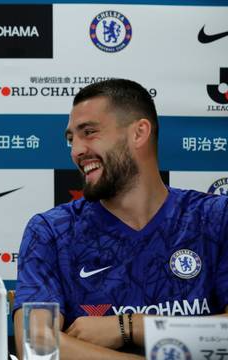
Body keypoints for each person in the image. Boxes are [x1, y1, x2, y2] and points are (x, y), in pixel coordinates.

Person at [13, 79, 228, 359]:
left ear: (139, 133)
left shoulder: (215, 218)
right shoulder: (52, 231)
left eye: (89, 132)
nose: (75, 151)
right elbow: (36, 345)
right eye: (71, 139)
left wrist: (128, 327)